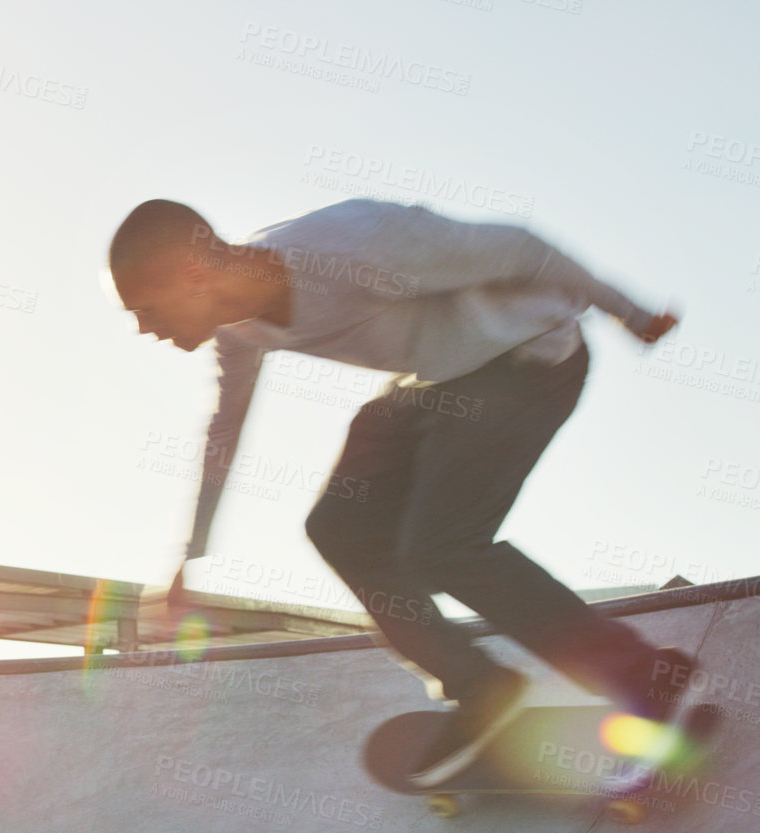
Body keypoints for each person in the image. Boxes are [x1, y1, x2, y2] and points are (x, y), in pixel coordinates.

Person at [106, 197, 696, 787]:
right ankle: (482, 687)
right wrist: (191, 555)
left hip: (526, 358)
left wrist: (630, 312)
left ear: (193, 276)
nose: (144, 329)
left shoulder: (354, 246)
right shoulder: (237, 331)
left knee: (443, 549)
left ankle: (642, 674)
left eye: (144, 309)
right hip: (435, 379)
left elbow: (523, 250)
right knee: (337, 526)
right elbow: (225, 430)